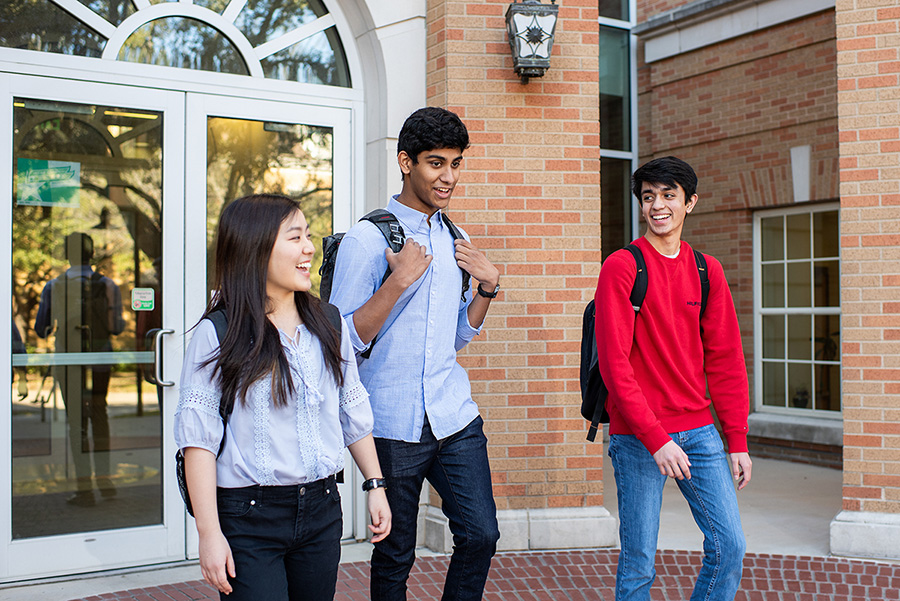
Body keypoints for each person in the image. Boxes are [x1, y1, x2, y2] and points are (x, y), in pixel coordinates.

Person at [174, 194, 391, 601]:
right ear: (255, 248)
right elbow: (198, 441)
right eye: (295, 237)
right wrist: (209, 533)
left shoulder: (328, 323)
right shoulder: (219, 332)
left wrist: (375, 484)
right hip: (249, 517)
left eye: (308, 235)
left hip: (322, 512)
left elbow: (351, 408)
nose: (309, 247)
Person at [329, 107, 501, 601]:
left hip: (452, 415)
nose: (448, 177)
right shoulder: (368, 239)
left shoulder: (458, 240)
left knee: (481, 534)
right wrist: (398, 282)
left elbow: (454, 339)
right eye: (435, 163)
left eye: (456, 164)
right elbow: (338, 342)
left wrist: (488, 287)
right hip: (390, 421)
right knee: (395, 556)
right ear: (406, 162)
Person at [595, 156, 752, 601]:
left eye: (668, 196)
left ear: (690, 202)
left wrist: (736, 439)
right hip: (639, 436)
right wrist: (656, 438)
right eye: (648, 197)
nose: (657, 206)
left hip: (700, 432)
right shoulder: (623, 267)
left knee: (730, 546)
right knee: (639, 563)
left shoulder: (707, 270)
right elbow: (614, 365)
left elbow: (725, 360)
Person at [35, 232, 124, 506]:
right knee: (100, 414)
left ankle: (84, 489)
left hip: (70, 360)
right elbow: (117, 327)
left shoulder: (54, 285)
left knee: (76, 423)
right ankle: (106, 481)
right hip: (100, 359)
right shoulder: (108, 285)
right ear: (92, 253)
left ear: (67, 254)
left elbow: (41, 328)